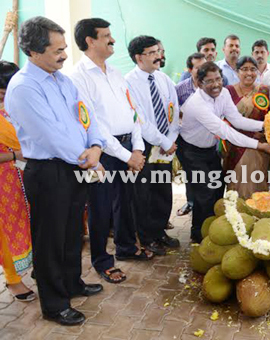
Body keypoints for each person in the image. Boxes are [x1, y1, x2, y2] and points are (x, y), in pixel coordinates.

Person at [6, 16, 106, 325]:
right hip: (49, 172)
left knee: (72, 232)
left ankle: (72, 283)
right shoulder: (23, 87)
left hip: (77, 166)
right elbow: (49, 135)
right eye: (57, 50)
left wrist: (97, 145)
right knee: (50, 239)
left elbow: (85, 117)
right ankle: (54, 304)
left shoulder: (63, 80)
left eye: (64, 48)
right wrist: (87, 158)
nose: (64, 55)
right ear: (34, 51)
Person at [70, 18, 149, 284]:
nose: (112, 40)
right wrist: (128, 156)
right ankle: (102, 261)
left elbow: (133, 110)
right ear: (90, 41)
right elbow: (93, 123)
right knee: (100, 206)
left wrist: (136, 147)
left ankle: (126, 247)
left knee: (125, 201)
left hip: (128, 145)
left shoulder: (115, 73)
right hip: (100, 153)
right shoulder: (78, 77)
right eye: (106, 36)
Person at [177, 61, 270, 243]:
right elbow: (227, 132)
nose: (216, 84)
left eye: (218, 79)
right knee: (205, 193)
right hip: (191, 151)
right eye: (209, 81)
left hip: (209, 149)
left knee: (217, 190)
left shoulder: (223, 93)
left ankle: (213, 230)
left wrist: (268, 125)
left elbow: (237, 120)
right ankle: (199, 234)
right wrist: (259, 145)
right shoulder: (197, 104)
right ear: (200, 84)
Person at [126, 35, 182, 254]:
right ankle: (147, 237)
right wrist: (162, 141)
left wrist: (170, 139)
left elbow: (174, 110)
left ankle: (160, 232)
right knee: (144, 193)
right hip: (145, 145)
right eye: (152, 52)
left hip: (165, 144)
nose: (159, 56)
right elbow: (139, 119)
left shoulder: (163, 79)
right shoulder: (129, 82)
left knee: (162, 190)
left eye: (159, 51)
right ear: (139, 57)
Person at [0, 61, 35, 302]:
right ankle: (13, 280)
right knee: (5, 231)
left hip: (22, 178)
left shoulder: (12, 107)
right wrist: (15, 155)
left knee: (26, 224)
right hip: (3, 183)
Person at [224, 56, 270, 198]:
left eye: (252, 69)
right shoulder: (228, 91)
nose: (249, 73)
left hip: (259, 145)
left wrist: (264, 134)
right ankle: (236, 216)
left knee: (257, 184)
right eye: (244, 69)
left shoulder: (264, 90)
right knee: (237, 183)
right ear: (237, 72)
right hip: (234, 145)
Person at [174, 52, 206, 216]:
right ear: (189, 69)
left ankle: (206, 207)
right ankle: (191, 203)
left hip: (208, 139)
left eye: (205, 67)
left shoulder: (212, 86)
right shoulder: (180, 89)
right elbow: (172, 113)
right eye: (198, 68)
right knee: (190, 173)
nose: (202, 71)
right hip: (186, 140)